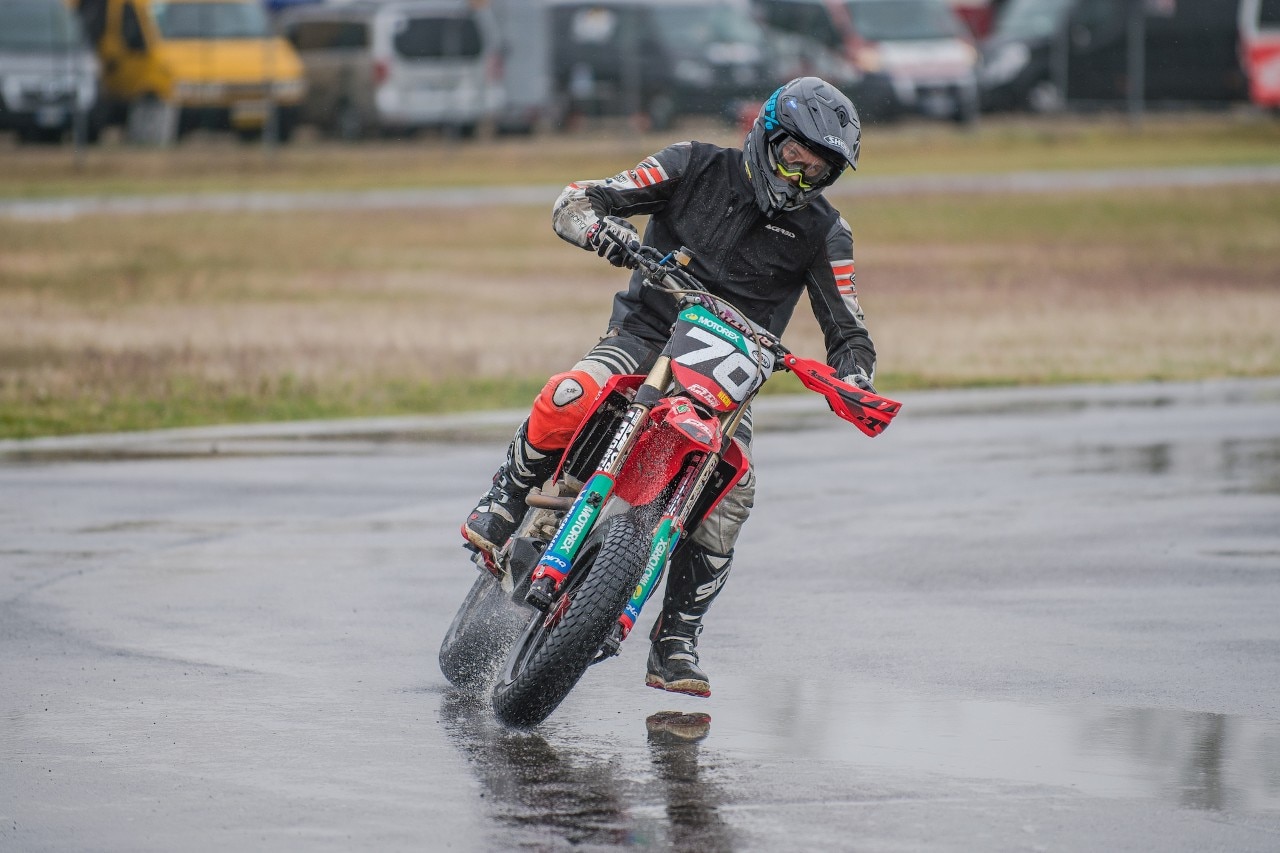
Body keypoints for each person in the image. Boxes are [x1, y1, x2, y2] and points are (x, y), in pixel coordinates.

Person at [462, 76, 876, 698]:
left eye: (817, 174)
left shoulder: (827, 232)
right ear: (767, 135)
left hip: (730, 379)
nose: (800, 181)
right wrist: (599, 228)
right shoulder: (690, 164)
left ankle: (676, 638)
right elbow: (581, 199)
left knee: (736, 496)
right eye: (795, 161)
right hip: (645, 336)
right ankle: (507, 498)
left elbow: (850, 331)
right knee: (573, 392)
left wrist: (854, 380)